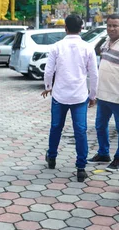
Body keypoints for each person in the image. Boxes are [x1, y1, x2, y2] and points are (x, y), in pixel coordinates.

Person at [41, 15, 98, 182]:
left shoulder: (56, 47)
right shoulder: (88, 48)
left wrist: (48, 87)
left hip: (59, 94)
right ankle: (81, 167)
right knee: (80, 131)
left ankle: (51, 157)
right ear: (81, 28)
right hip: (80, 96)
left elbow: (48, 71)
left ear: (65, 27)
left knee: (56, 127)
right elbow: (94, 74)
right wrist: (93, 95)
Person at [89, 14, 119, 171]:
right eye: (109, 25)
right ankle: (103, 153)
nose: (111, 28)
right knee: (100, 125)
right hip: (103, 95)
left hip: (118, 96)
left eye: (115, 25)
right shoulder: (107, 42)